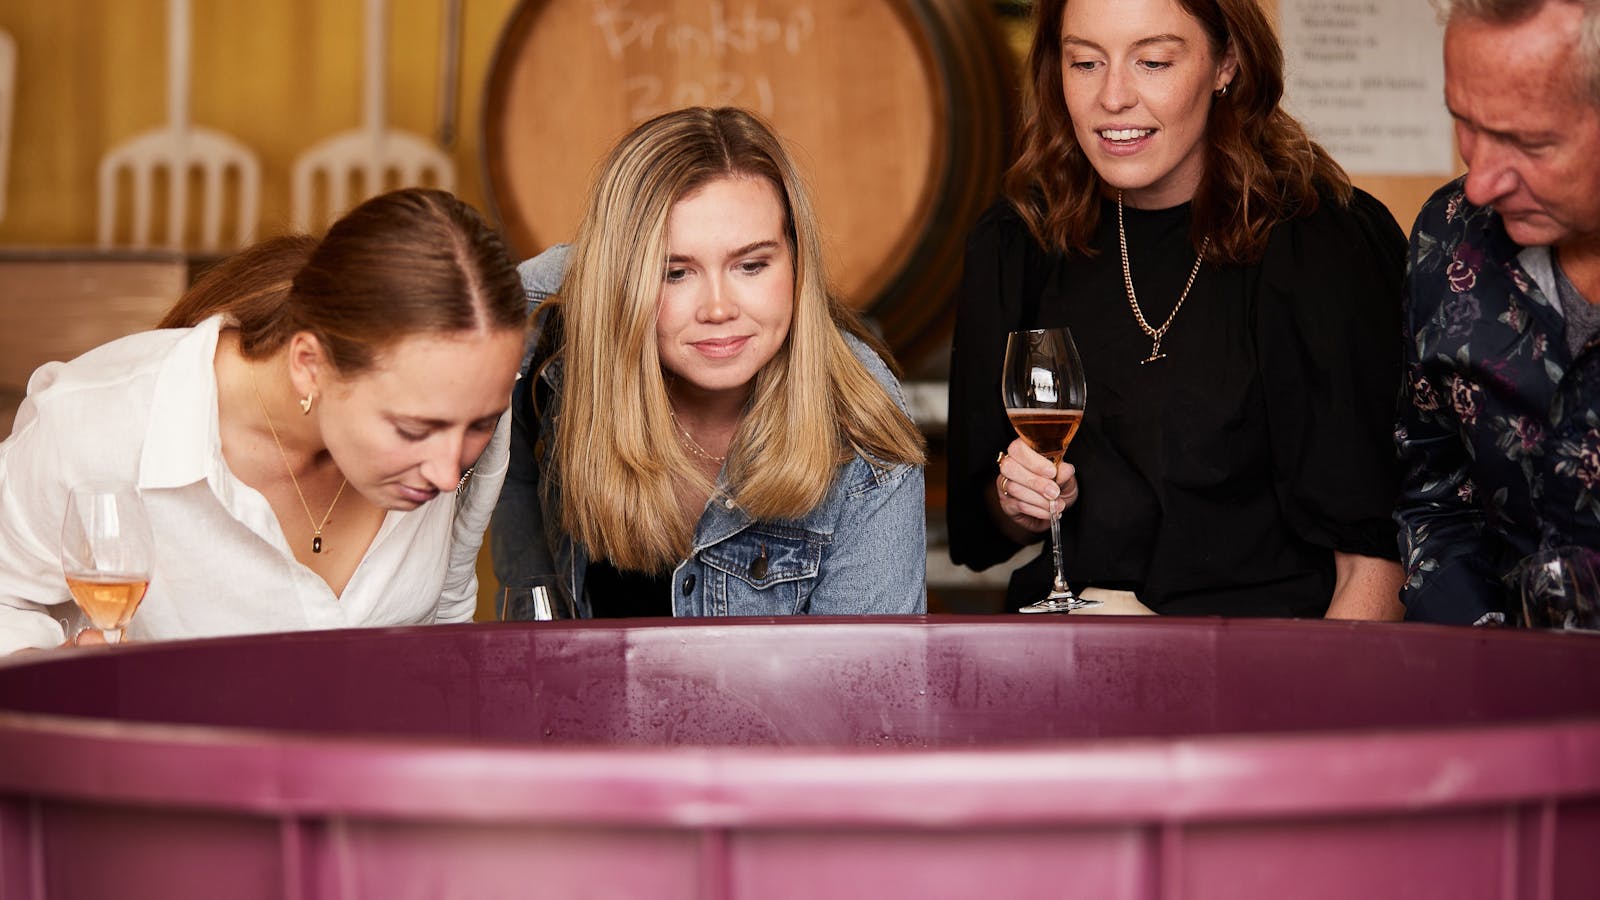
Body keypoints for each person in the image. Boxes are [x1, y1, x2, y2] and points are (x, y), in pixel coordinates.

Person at [947, 0, 1408, 618]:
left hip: (1259, 673)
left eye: (1154, 61)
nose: (1113, 97)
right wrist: (1017, 499)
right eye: (1085, 62)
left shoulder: (1324, 245)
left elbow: (1378, 564)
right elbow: (981, 534)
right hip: (1071, 659)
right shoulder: (1021, 238)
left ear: (1228, 63)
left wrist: (1307, 711)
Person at [0, 188, 525, 653]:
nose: (448, 473)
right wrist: (47, 672)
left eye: (481, 423)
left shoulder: (457, 428)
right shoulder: (105, 422)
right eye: (413, 430)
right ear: (308, 365)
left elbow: (448, 620)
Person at [491, 106, 927, 618]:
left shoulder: (861, 425)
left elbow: (868, 686)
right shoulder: (559, 356)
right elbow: (483, 300)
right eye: (676, 273)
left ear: (797, 259)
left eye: (751, 265)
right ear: (621, 280)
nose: (718, 308)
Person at [1398, 0, 1600, 625]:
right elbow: (1430, 495)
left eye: (1528, 142)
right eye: (1465, 122)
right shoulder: (1449, 235)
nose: (1479, 182)